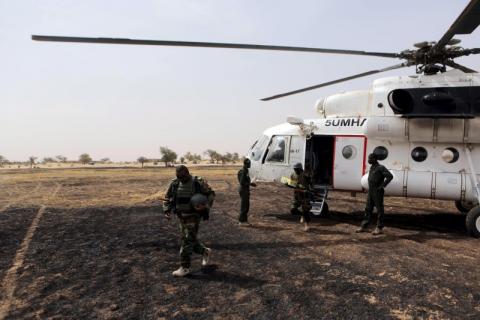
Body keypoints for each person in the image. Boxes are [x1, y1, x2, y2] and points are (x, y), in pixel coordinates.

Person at [163, 165, 215, 277]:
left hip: (193, 216)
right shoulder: (175, 183)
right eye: (178, 177)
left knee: (186, 241)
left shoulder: (198, 182)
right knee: (189, 239)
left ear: (188, 173)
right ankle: (204, 251)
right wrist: (166, 210)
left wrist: (205, 206)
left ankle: (185, 267)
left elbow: (211, 194)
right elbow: (167, 198)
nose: (181, 179)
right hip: (181, 216)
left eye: (183, 176)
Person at [356, 153, 393, 235]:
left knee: (380, 210)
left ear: (375, 159)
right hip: (371, 191)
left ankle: (379, 228)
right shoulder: (372, 167)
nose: (368, 160)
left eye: (370, 158)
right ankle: (364, 226)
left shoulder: (381, 168)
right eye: (368, 158)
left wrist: (383, 186)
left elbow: (390, 176)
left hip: (377, 191)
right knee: (368, 209)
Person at [290, 162, 312, 231]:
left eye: (296, 169)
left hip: (305, 196)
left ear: (300, 169)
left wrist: (309, 189)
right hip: (298, 194)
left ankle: (307, 225)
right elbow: (292, 183)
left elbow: (310, 183)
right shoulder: (294, 175)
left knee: (306, 210)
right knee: (293, 210)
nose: (295, 170)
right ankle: (302, 215)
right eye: (294, 169)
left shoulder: (305, 175)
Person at [237, 158, 257, 226]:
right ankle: (242, 222)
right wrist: (250, 184)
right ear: (246, 164)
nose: (250, 165)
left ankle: (244, 221)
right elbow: (242, 182)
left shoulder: (245, 170)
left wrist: (250, 184)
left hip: (245, 190)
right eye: (249, 164)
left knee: (246, 206)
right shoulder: (243, 171)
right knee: (244, 206)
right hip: (243, 190)